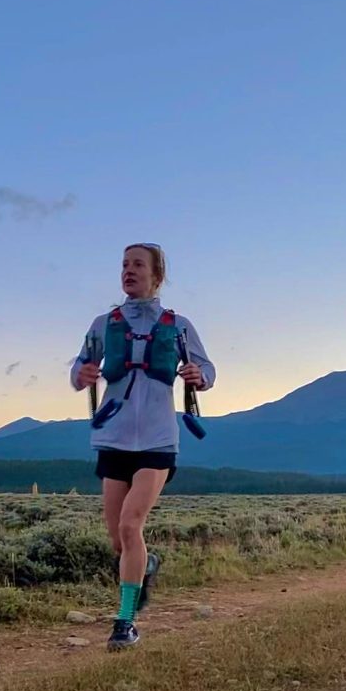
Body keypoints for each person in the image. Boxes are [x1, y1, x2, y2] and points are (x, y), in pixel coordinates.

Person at [70, 243, 215, 651]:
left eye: (137, 265)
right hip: (113, 437)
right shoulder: (103, 324)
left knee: (132, 525)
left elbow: (209, 369)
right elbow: (78, 370)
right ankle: (145, 564)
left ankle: (125, 621)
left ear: (157, 275)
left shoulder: (178, 324)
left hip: (158, 440)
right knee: (118, 539)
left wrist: (197, 375)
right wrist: (81, 374)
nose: (128, 271)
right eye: (124, 265)